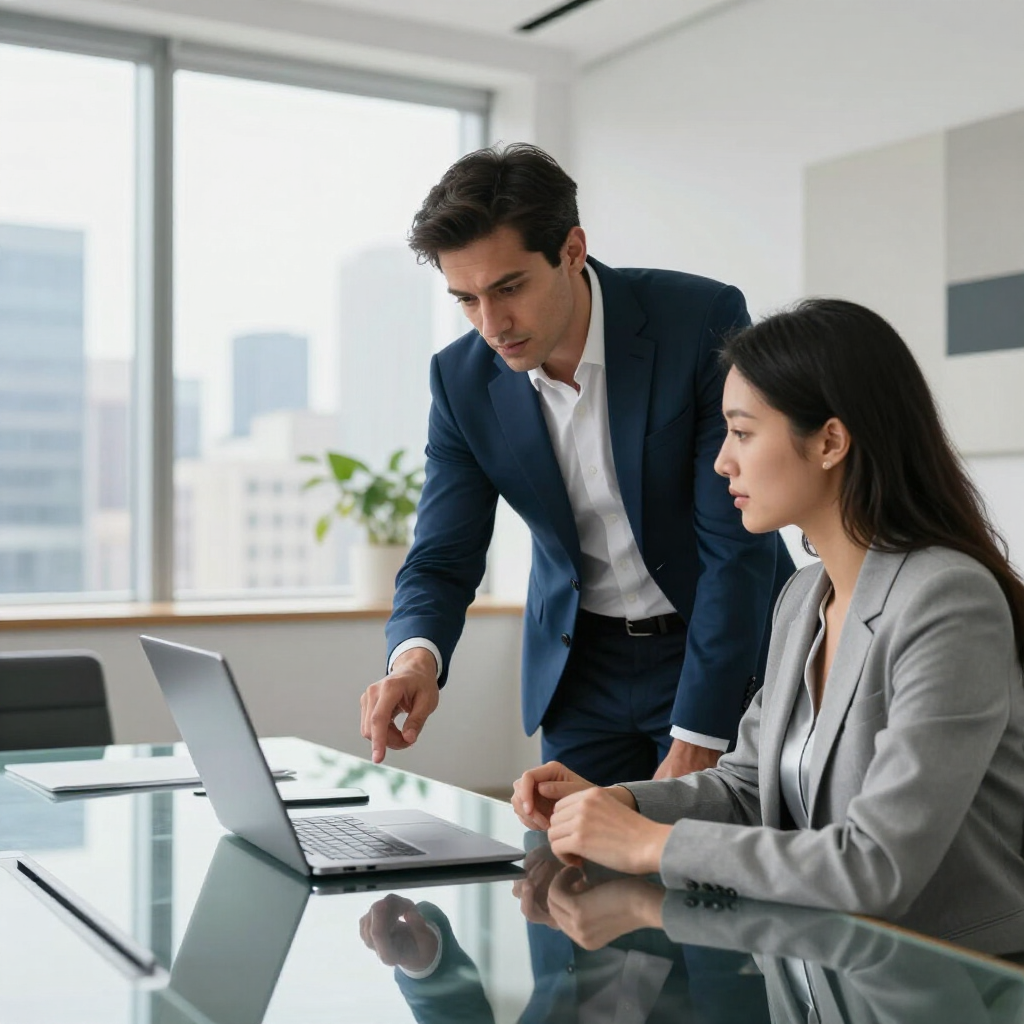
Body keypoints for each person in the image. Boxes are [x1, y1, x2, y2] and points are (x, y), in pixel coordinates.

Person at [512, 298, 1024, 955]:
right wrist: (622, 806)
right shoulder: (802, 597)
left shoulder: (948, 602)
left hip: (956, 977)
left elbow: (877, 866)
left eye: (743, 433)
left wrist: (650, 845)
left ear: (831, 442)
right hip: (828, 968)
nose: (723, 461)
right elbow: (749, 788)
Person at [359, 143, 793, 785]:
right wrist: (415, 659)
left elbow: (736, 541)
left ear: (572, 250)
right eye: (466, 299)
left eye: (509, 288)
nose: (492, 325)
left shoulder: (697, 320)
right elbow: (442, 555)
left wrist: (702, 730)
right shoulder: (461, 379)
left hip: (716, 650)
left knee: (708, 871)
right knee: (565, 876)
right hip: (580, 668)